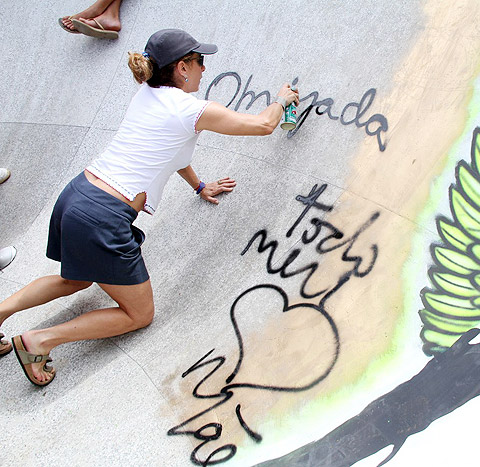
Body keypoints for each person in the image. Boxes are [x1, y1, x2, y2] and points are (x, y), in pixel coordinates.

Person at [0, 29, 299, 386]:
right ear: (183, 67)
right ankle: (39, 341)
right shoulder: (191, 109)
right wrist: (282, 99)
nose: (205, 69)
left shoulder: (147, 94)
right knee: (139, 314)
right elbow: (264, 125)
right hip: (103, 217)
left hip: (77, 195)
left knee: (75, 278)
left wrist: (200, 185)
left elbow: (170, 151)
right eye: (200, 61)